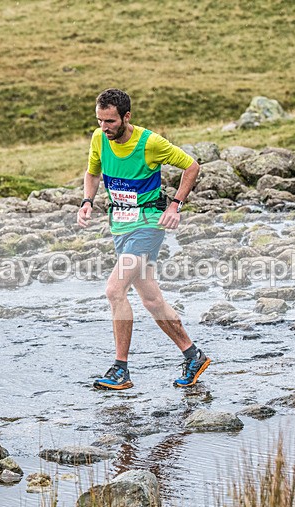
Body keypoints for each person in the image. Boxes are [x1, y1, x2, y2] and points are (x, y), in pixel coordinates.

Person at [77, 88, 209, 390]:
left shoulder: (150, 143)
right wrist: (87, 202)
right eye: (99, 121)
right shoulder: (99, 139)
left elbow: (192, 166)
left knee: (114, 289)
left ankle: (120, 369)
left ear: (127, 116)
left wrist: (175, 205)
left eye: (110, 121)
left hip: (148, 225)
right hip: (120, 228)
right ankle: (193, 355)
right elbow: (92, 173)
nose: (104, 128)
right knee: (152, 300)